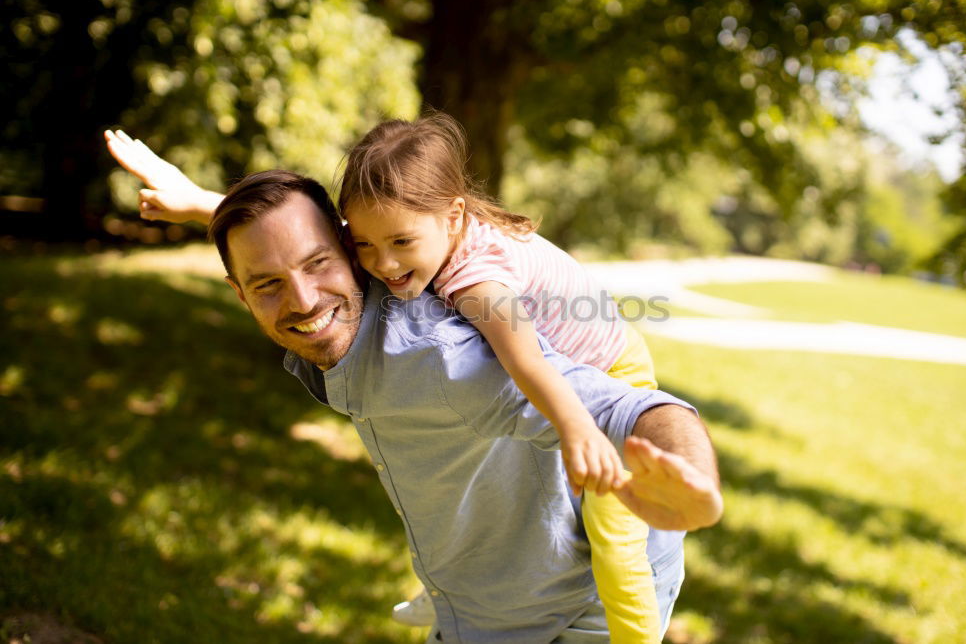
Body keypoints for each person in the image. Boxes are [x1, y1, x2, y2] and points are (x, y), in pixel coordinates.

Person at [103, 131, 724, 642]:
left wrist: (687, 478)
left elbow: (633, 407)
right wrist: (195, 202)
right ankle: (447, 589)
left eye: (320, 266)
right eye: (266, 283)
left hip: (566, 611)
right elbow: (292, 242)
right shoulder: (383, 251)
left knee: (620, 549)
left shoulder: (450, 347)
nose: (302, 296)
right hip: (492, 600)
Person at [337, 113, 666, 642]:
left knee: (615, 532)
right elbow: (308, 237)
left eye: (400, 242)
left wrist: (580, 429)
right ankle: (458, 595)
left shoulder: (478, 284)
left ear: (453, 215)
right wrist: (202, 206)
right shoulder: (434, 230)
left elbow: (528, 364)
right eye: (365, 245)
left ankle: (635, 635)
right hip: (559, 363)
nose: (383, 263)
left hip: (610, 371)